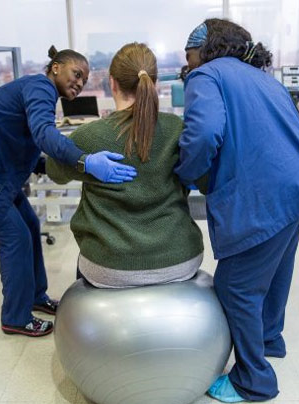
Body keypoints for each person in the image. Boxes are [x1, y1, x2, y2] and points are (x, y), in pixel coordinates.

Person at [176, 18, 299, 403]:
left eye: (188, 56)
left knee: (236, 285)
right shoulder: (261, 77)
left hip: (269, 191)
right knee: (276, 271)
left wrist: (183, 174)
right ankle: (268, 340)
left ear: (202, 49)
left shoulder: (206, 76)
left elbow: (204, 133)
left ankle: (253, 379)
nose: (187, 65)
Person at [0, 46, 137, 337]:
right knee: (14, 234)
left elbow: (27, 141)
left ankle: (36, 296)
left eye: (84, 79)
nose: (79, 83)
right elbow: (42, 132)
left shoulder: (36, 92)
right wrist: (84, 160)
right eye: (76, 74)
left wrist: (59, 166)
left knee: (29, 224)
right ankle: (15, 317)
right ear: (55, 68)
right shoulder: (40, 86)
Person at [46, 42, 204, 288]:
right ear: (154, 83)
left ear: (112, 83)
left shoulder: (88, 136)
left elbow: (54, 173)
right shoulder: (178, 129)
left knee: (83, 264)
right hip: (181, 258)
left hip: (109, 265)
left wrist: (83, 163)